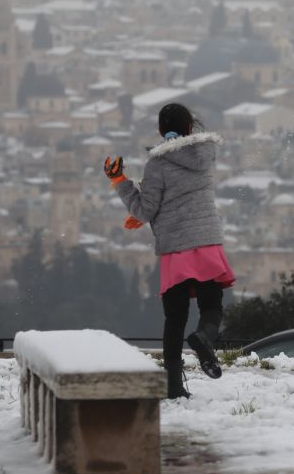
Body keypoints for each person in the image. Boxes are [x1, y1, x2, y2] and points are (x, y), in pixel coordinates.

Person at [104, 102, 234, 399]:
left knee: (175, 318)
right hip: (207, 240)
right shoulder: (205, 156)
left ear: (161, 130)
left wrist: (120, 181)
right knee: (212, 305)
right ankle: (204, 336)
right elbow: (182, 194)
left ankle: (173, 385)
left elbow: (146, 209)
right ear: (190, 127)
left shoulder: (158, 165)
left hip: (177, 247)